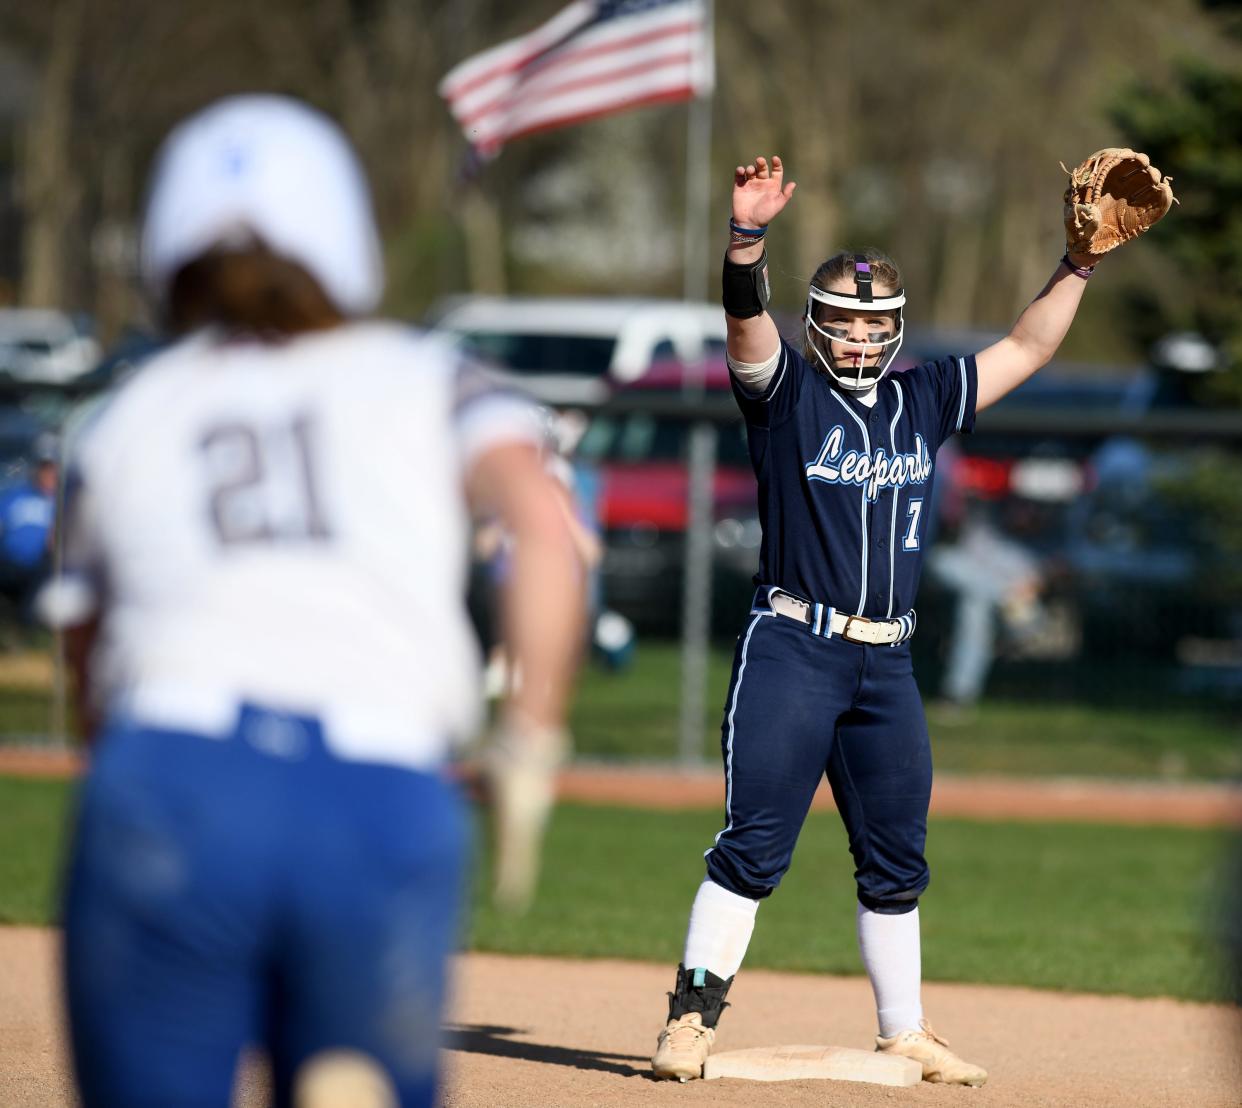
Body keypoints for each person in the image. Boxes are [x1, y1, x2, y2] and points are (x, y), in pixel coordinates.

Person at [41, 95, 583, 1108]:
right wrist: (532, 736)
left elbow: (90, 663)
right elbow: (545, 531)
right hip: (377, 788)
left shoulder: (120, 420)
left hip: (173, 773)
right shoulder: (430, 376)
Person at [649, 154, 1113, 1086]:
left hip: (886, 665)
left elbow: (1026, 350)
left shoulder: (922, 398)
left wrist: (1078, 267)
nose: (859, 336)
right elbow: (745, 320)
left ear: (895, 330)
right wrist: (747, 240)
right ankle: (690, 1022)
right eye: (843, 321)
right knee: (754, 846)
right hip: (794, 645)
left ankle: (904, 1029)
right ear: (816, 326)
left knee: (898, 857)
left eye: (874, 323)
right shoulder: (784, 398)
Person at [0, 433, 58, 635]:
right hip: (7, 561)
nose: (48, 474)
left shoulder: (64, 501)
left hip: (43, 566)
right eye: (44, 468)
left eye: (52, 468)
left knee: (46, 572)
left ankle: (28, 633)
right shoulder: (17, 495)